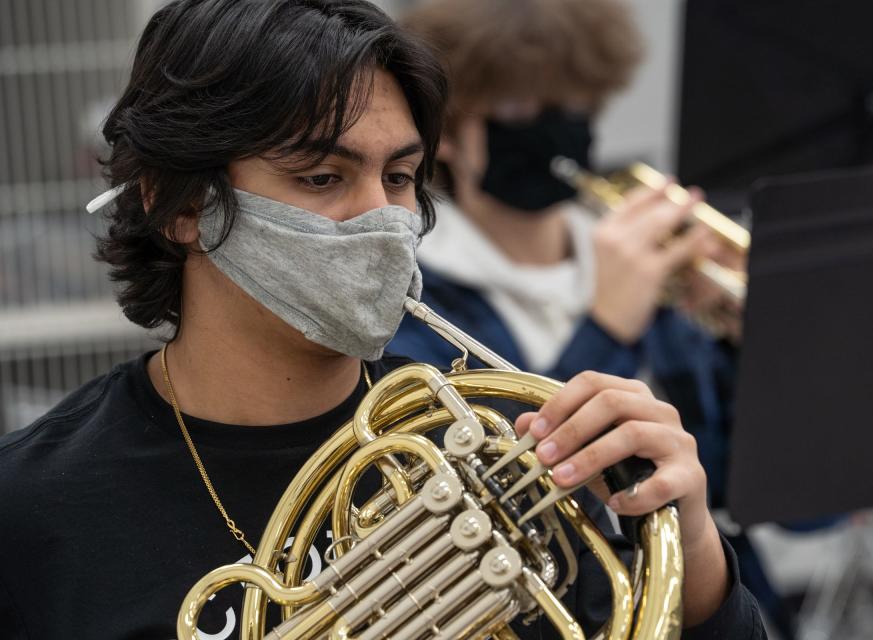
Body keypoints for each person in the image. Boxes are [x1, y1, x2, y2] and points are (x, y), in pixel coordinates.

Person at [0, 1, 764, 638]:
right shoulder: (33, 510)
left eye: (399, 177)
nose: (382, 218)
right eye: (322, 176)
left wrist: (694, 551)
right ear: (180, 205)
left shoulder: (504, 454)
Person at [388, 0, 792, 636]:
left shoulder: (647, 264)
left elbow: (796, 507)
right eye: (522, 107)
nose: (556, 128)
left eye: (574, 106)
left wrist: (752, 350)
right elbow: (479, 502)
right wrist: (606, 328)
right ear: (453, 127)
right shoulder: (409, 295)